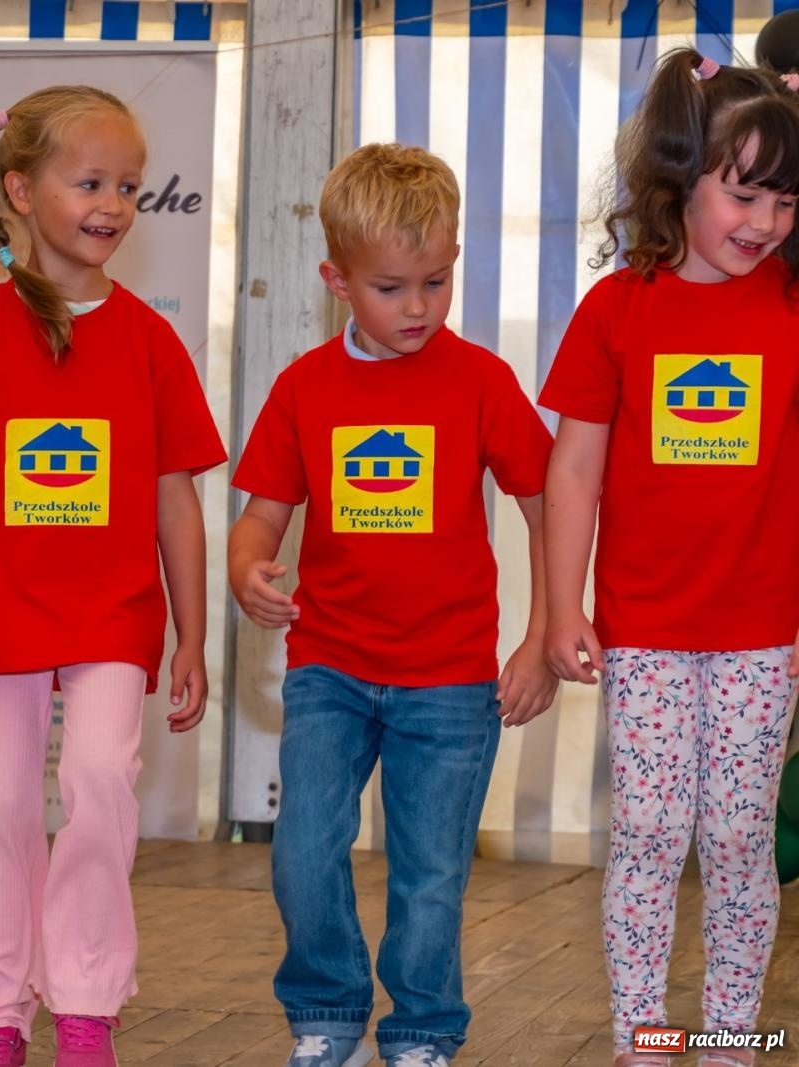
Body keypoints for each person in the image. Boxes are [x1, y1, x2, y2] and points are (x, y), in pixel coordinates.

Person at [0, 85, 226, 1067]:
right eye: (90, 182)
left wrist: (193, 635)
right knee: (2, 804)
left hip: (114, 616)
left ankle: (85, 1001)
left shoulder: (151, 339)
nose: (113, 204)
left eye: (129, 186)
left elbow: (176, 501)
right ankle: (1, 1011)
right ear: (20, 190)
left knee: (97, 781)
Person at [229, 142, 556, 1067]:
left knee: (430, 873)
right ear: (336, 280)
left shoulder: (482, 381)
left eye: (436, 282)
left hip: (450, 679)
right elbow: (260, 517)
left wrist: (542, 634)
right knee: (302, 851)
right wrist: (247, 568)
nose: (418, 307)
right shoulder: (303, 387)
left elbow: (548, 504)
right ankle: (326, 1010)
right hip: (328, 670)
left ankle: (421, 1028)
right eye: (390, 288)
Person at [540, 50, 799, 1067]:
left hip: (760, 631)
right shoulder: (617, 307)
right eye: (744, 193)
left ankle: (733, 1039)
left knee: (737, 836)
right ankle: (644, 1038)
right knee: (649, 831)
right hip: (643, 628)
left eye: (787, 199)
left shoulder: (791, 304)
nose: (766, 221)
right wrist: (563, 606)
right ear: (678, 180)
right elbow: (572, 472)